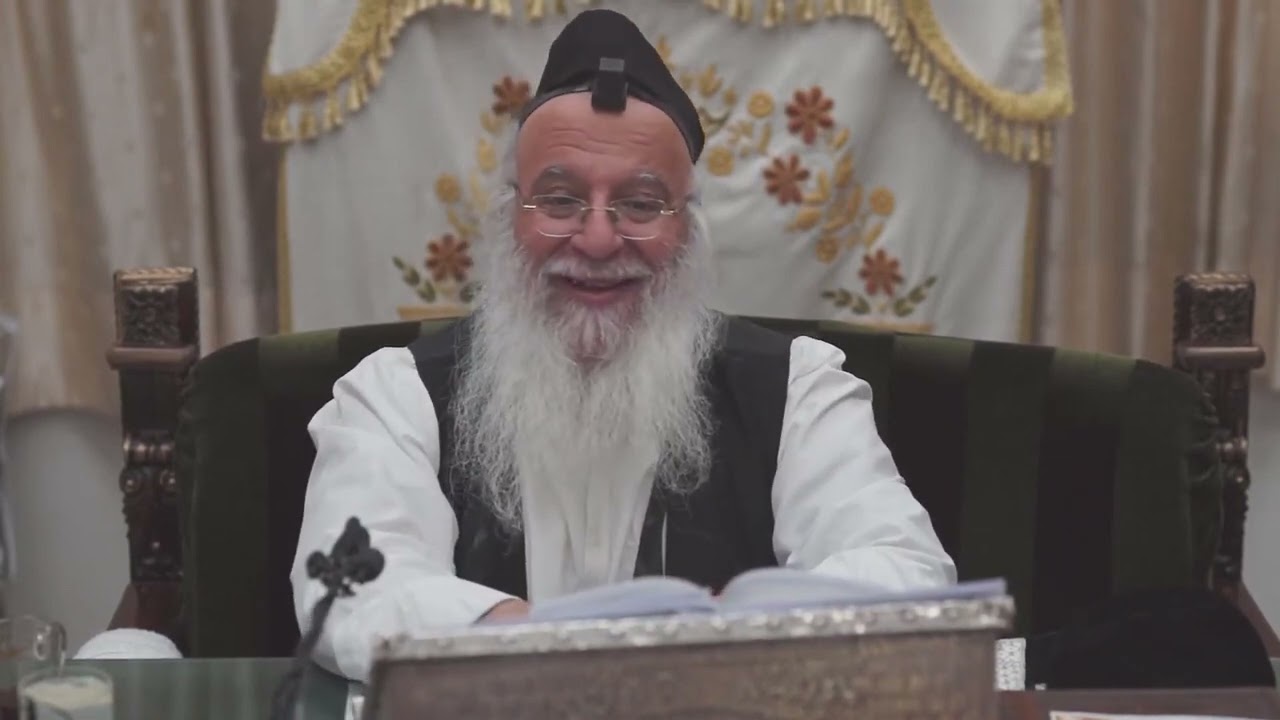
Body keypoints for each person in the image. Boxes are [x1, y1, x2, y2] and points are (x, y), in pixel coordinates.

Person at [292, 8, 955, 681]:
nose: (599, 240)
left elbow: (903, 571)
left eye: (640, 204)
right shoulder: (395, 393)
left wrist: (736, 631)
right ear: (510, 217)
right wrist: (536, 639)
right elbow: (349, 593)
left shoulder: (799, 390)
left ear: (689, 230)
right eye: (560, 200)